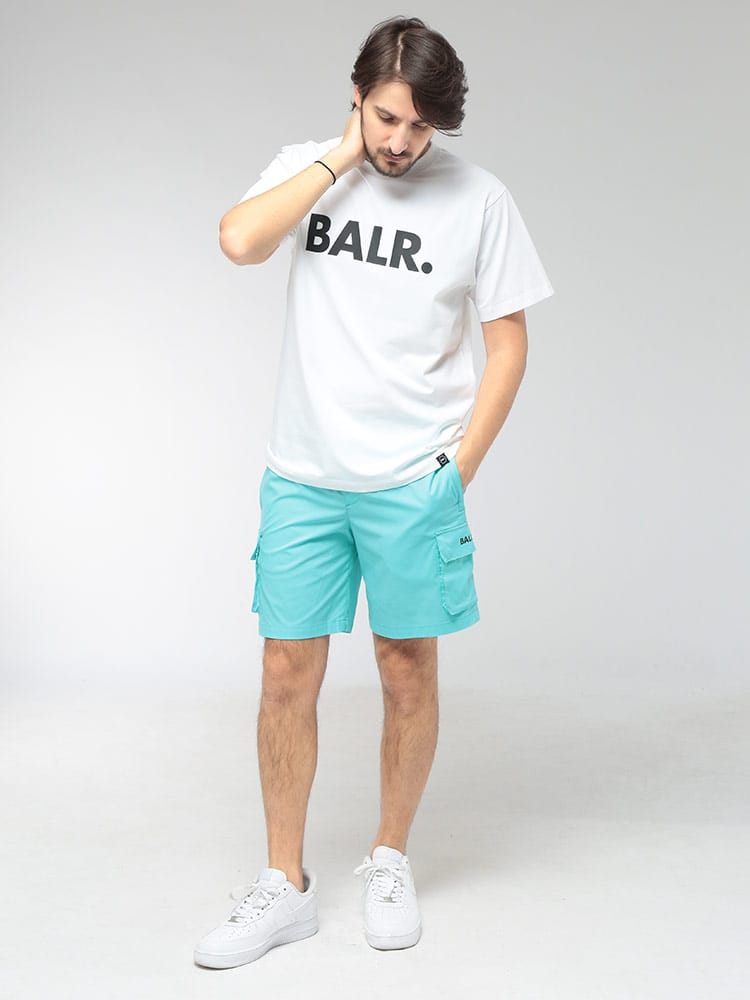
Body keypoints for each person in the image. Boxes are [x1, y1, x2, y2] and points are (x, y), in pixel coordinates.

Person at [194, 15, 554, 969]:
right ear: (357, 97)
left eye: (420, 126)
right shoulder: (310, 166)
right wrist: (342, 156)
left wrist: (457, 473)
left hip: (410, 482)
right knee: (285, 673)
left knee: (405, 670)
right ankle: (284, 884)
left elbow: (509, 345)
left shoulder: (480, 199)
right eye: (387, 117)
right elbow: (239, 241)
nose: (400, 141)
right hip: (303, 476)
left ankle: (390, 858)